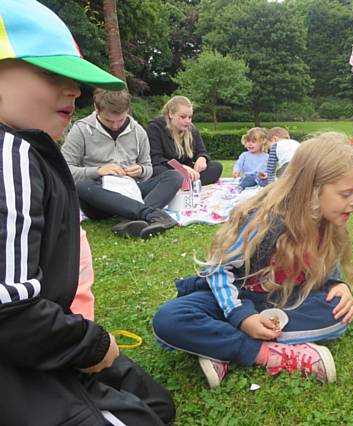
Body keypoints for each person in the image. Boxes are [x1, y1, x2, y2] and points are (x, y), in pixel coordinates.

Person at [0, 1, 175, 425]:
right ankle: (146, 213)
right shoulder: (14, 153)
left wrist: (140, 170)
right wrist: (91, 345)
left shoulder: (32, 147)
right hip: (21, 356)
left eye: (75, 79)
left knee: (156, 405)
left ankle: (147, 210)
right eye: (51, 74)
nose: (73, 90)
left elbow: (153, 164)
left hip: (45, 336)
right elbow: (9, 312)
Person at [152, 133, 353, 388]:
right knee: (170, 318)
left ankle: (219, 346)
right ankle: (269, 354)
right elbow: (219, 269)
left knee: (338, 315)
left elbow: (326, 269)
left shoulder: (329, 225)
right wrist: (242, 317)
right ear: (313, 188)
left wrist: (335, 285)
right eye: (346, 193)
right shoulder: (266, 222)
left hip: (281, 302)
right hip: (234, 298)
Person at [62, 89, 183, 239]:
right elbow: (64, 169)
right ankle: (150, 214)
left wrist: (141, 170)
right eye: (108, 120)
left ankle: (132, 219)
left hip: (130, 189)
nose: (115, 126)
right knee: (81, 185)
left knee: (174, 176)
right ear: (96, 108)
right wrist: (98, 171)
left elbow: (148, 167)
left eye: (120, 120)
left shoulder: (138, 131)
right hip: (99, 196)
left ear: (127, 110)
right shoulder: (80, 130)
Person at [147, 95, 223, 186]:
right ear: (171, 114)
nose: (187, 121)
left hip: (189, 170)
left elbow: (202, 151)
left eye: (190, 117)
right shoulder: (155, 128)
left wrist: (202, 159)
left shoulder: (192, 129)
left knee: (216, 167)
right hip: (168, 168)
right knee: (159, 170)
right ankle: (186, 183)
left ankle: (185, 184)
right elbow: (156, 159)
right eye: (183, 117)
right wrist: (180, 168)